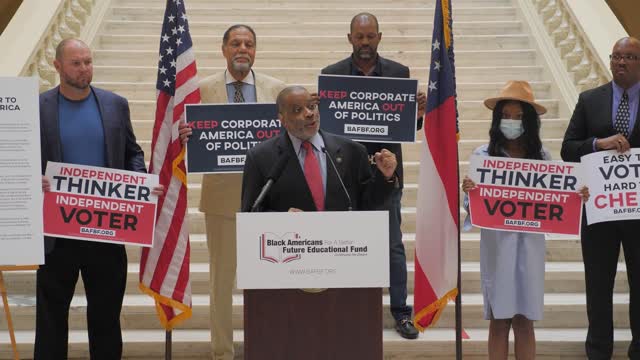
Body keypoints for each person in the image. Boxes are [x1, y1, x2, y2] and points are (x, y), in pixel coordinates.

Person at [37, 39, 162, 360]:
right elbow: (19, 160)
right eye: (76, 63)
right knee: (50, 319)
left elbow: (132, 153)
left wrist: (140, 184)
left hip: (106, 231)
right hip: (56, 234)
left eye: (88, 62)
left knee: (106, 317)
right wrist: (31, 180)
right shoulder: (39, 107)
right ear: (58, 67)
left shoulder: (115, 104)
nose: (84, 69)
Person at [178, 24, 285, 360]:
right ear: (223, 49)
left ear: (256, 50)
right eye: (236, 43)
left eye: (249, 44)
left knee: (268, 283)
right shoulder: (200, 89)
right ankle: (222, 352)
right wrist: (183, 134)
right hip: (222, 201)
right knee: (221, 285)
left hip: (268, 201)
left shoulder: (277, 89)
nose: (243, 49)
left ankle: (266, 346)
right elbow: (182, 136)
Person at [462, 80, 589, 360]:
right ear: (497, 120)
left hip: (530, 248)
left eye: (518, 117)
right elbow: (473, 211)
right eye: (506, 116)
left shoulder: (543, 158)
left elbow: (561, 198)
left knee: (524, 320)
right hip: (497, 249)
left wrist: (578, 193)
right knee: (499, 320)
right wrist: (469, 193)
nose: (511, 122)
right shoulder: (483, 156)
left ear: (529, 122)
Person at [320, 12, 426, 339]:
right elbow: (326, 130)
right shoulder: (332, 75)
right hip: (344, 176)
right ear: (349, 38)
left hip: (387, 174)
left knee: (392, 245)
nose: (364, 43)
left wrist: (418, 114)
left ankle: (401, 312)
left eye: (370, 37)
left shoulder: (399, 73)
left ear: (379, 37)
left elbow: (408, 127)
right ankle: (348, 309)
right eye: (359, 37)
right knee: (344, 245)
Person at [561, 36, 640, 359]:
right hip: (599, 210)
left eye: (629, 57)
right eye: (616, 56)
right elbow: (568, 148)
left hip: (638, 211)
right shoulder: (589, 99)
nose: (620, 62)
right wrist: (598, 144)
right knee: (598, 284)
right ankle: (598, 350)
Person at [241, 85, 397, 213]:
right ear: (282, 119)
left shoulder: (352, 151)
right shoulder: (260, 157)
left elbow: (369, 204)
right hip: (291, 245)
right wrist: (282, 219)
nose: (309, 114)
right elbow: (251, 210)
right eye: (297, 110)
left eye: (311, 106)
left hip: (343, 245)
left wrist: (385, 177)